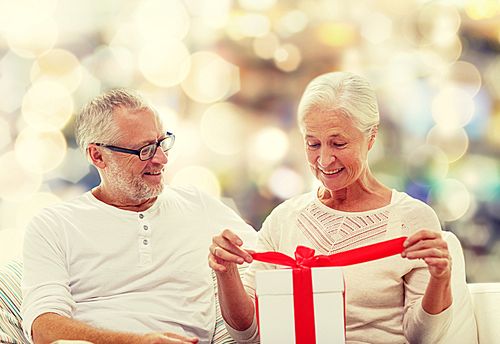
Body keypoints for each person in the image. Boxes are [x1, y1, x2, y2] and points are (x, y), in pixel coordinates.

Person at [209, 72, 457, 344]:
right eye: (313, 144)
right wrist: (226, 272)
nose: (325, 160)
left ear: (370, 137)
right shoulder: (284, 220)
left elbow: (423, 338)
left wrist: (440, 279)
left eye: (339, 143)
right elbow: (248, 335)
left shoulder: (411, 219)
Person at [21, 88, 257, 344]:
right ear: (97, 155)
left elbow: (275, 262)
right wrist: (136, 342)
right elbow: (43, 328)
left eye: (161, 142)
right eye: (145, 150)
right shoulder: (53, 225)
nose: (162, 158)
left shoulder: (198, 204)